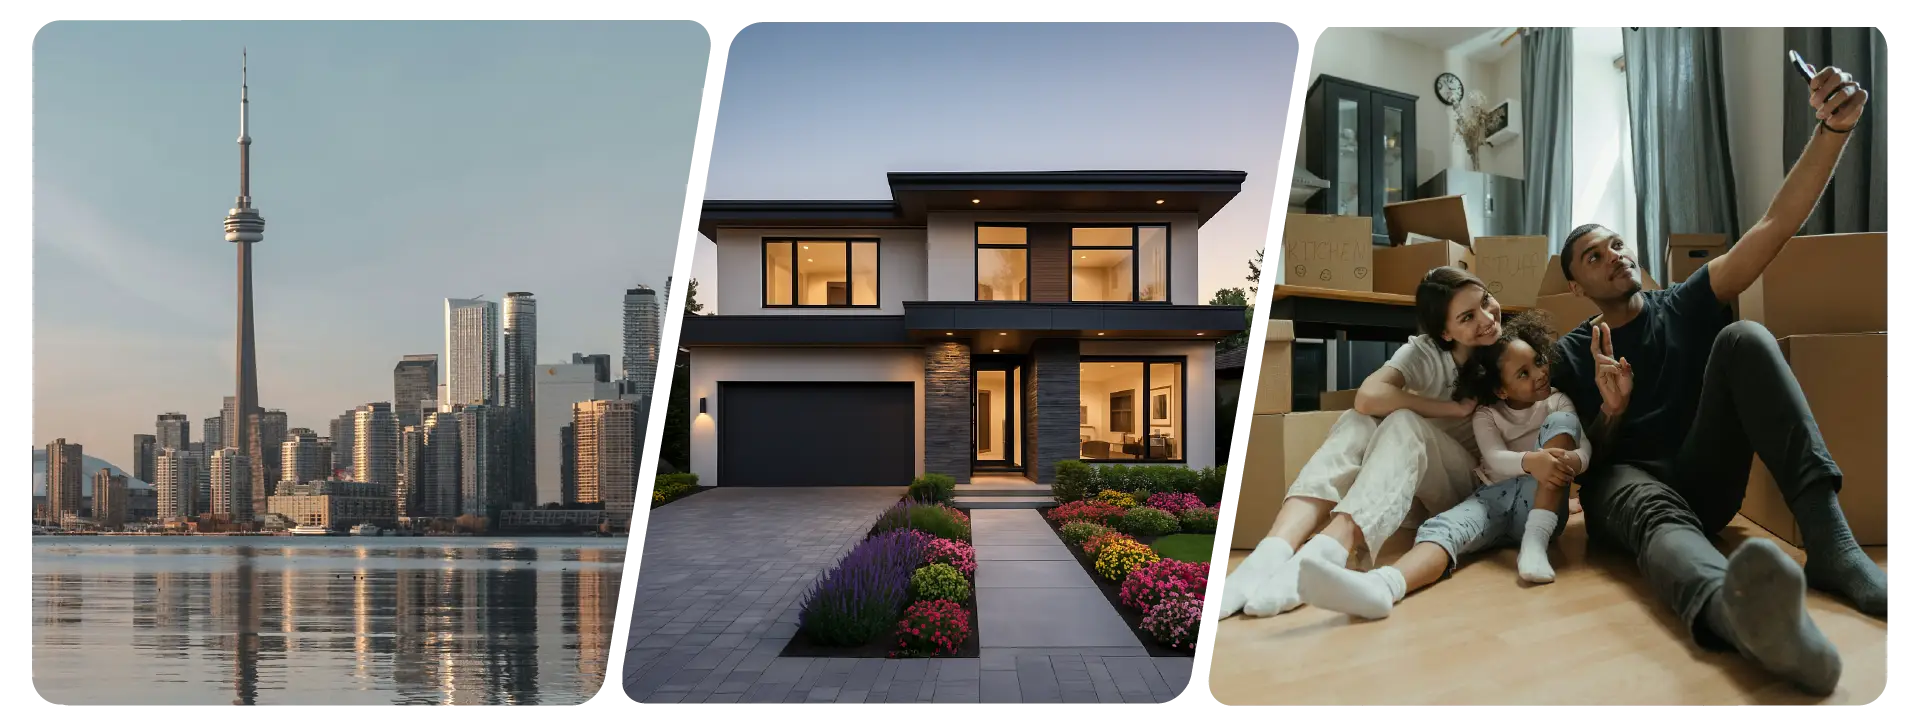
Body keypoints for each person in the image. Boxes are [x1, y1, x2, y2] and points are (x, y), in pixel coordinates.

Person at [1549, 64, 1883, 697]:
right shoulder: (1575, 352)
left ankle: (1833, 547)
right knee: (1637, 495)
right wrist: (1612, 411)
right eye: (1594, 256)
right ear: (1577, 286)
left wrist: (1833, 132)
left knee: (1745, 338)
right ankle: (1742, 620)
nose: (1614, 256)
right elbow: (1581, 463)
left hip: (1707, 481)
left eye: (1617, 244)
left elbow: (1773, 226)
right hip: (1632, 493)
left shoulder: (1686, 302)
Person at [1217, 267, 1497, 619]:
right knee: (1358, 420)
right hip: (1408, 492)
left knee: (1404, 421)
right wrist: (1450, 409)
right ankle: (1273, 550)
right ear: (1445, 331)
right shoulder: (1427, 352)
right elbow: (1367, 397)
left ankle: (1330, 547)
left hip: (1468, 492)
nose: (1487, 319)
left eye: (1486, 301)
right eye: (1468, 317)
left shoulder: (1506, 350)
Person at [1298, 310, 1588, 619]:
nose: (1538, 374)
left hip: (1541, 503)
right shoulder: (1487, 414)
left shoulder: (1558, 401)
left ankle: (1535, 543)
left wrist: (1572, 462)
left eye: (1538, 362)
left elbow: (1583, 450)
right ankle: (1384, 586)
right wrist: (1531, 461)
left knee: (1563, 422)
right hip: (1492, 496)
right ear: (1501, 389)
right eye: (1523, 373)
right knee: (1444, 528)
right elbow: (1494, 460)